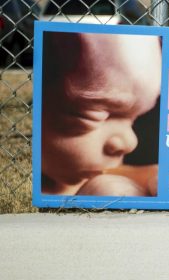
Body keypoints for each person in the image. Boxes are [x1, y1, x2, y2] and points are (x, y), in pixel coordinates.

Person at [40, 31, 162, 196]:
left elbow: (128, 173)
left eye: (133, 120)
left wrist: (153, 177)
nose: (129, 143)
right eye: (90, 117)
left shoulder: (85, 172)